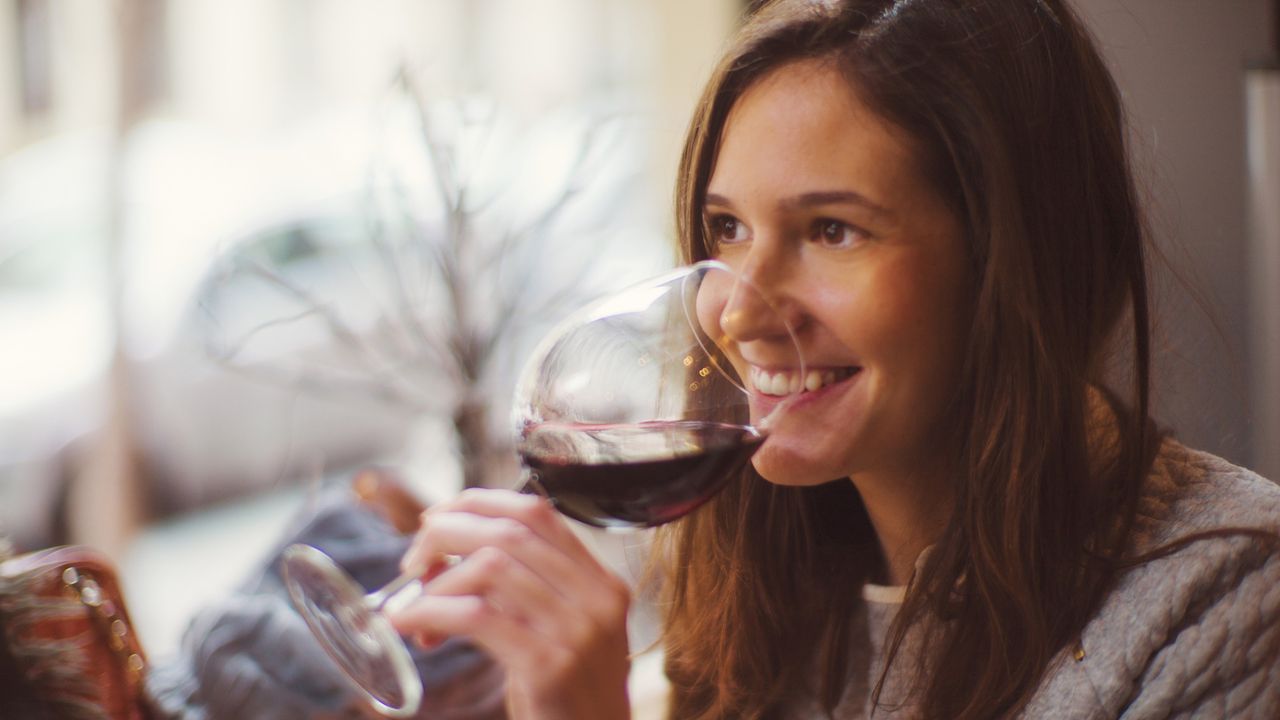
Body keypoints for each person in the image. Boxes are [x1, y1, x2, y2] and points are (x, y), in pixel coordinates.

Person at [387, 0, 1280, 718]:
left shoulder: (1229, 600)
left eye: (832, 230)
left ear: (1016, 262)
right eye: (727, 229)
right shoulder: (774, 578)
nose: (740, 310)